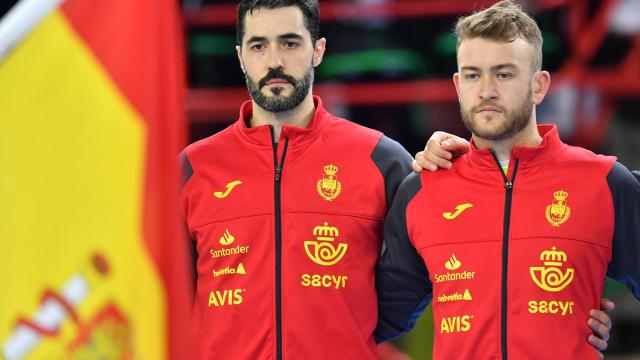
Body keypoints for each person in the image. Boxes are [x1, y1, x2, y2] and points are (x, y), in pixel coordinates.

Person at [179, 0, 614, 358]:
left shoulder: (381, 158)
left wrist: (561, 313)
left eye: (290, 43)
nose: (274, 61)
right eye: (257, 46)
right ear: (239, 57)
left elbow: (473, 249)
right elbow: (160, 291)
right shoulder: (193, 168)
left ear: (318, 50)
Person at [375, 1, 640, 359]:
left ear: (539, 86)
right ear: (457, 84)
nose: (486, 90)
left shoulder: (605, 183)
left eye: (503, 74)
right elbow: (371, 318)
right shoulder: (421, 190)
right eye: (472, 74)